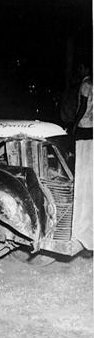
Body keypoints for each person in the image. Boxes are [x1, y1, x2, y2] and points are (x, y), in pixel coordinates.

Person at [71, 60, 93, 251]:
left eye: (81, 66)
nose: (80, 69)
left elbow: (83, 107)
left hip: (85, 128)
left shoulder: (86, 84)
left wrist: (74, 124)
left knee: (83, 174)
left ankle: (82, 227)